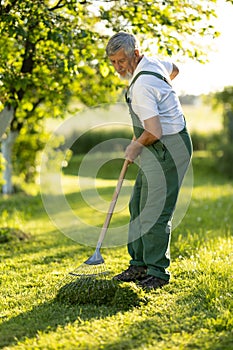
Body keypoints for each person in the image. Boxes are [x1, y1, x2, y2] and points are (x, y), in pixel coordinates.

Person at [106, 32, 192, 290]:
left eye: (121, 61)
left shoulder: (143, 86)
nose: (118, 67)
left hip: (169, 147)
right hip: (156, 146)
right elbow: (174, 69)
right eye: (113, 62)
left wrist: (135, 145)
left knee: (155, 211)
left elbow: (155, 131)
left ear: (135, 53)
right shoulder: (154, 63)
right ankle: (139, 264)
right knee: (138, 205)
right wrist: (163, 98)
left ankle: (157, 273)